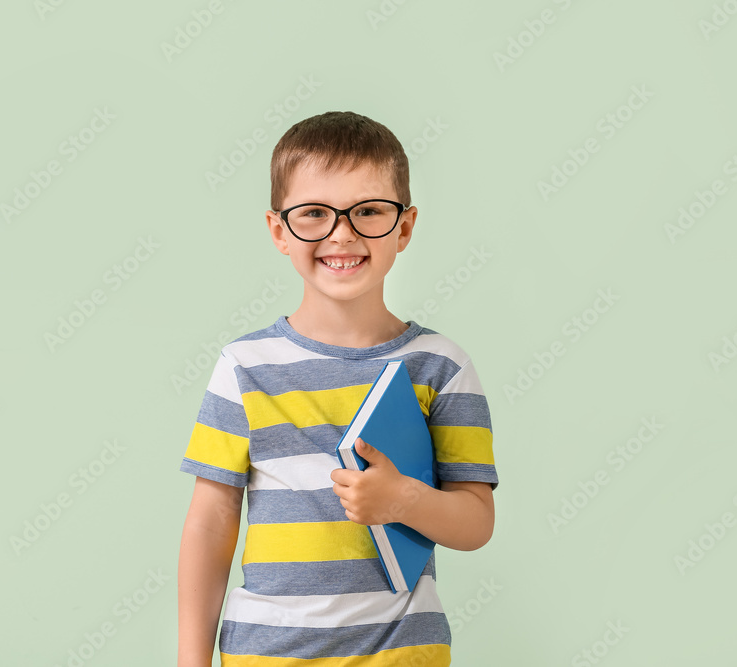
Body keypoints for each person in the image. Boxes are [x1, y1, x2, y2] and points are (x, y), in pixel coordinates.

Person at [177, 110, 498, 666]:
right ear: (279, 230)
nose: (341, 234)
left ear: (405, 226)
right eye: (315, 214)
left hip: (401, 655)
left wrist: (404, 499)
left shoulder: (441, 367)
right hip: (265, 656)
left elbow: (476, 523)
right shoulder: (243, 366)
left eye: (368, 210)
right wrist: (190, 661)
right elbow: (210, 521)